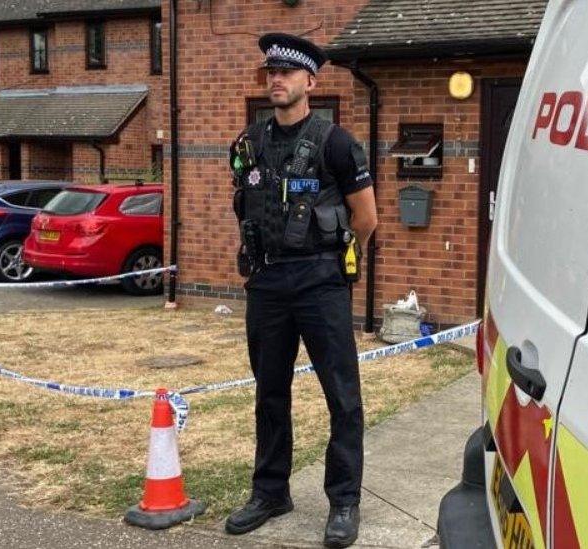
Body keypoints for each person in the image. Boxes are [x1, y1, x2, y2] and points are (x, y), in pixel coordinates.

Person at [225, 32, 378, 548]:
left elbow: (367, 217)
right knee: (270, 394)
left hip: (320, 284)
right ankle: (270, 492)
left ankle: (344, 501)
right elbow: (246, 204)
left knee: (342, 396)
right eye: (271, 72)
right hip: (267, 284)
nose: (277, 79)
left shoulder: (336, 142)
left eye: (287, 73)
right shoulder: (250, 142)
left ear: (310, 81)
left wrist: (334, 260)